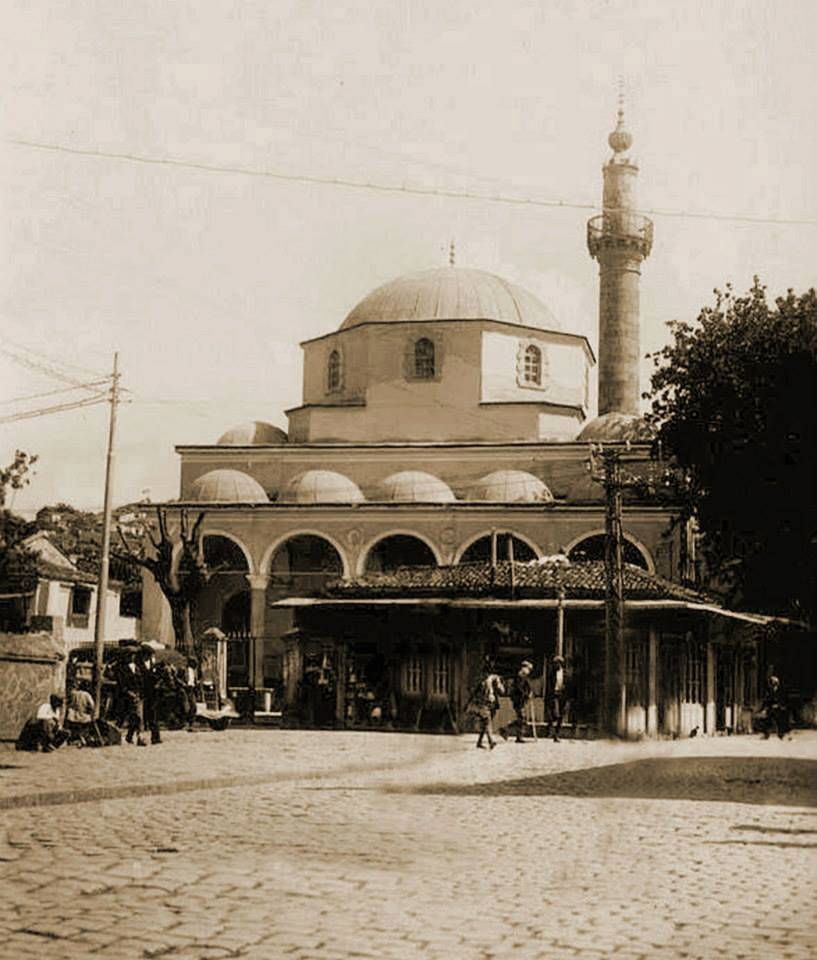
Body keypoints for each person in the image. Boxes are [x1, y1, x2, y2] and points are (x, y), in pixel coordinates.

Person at [469, 660, 505, 750]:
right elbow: (474, 692)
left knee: (486, 723)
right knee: (487, 721)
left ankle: (479, 742)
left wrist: (499, 684)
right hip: (484, 704)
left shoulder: (493, 679)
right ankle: (491, 742)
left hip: (490, 704)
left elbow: (502, 691)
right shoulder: (482, 681)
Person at [500, 659, 534, 743]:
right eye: (528, 669)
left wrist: (530, 693)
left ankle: (510, 732)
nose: (529, 671)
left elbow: (528, 687)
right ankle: (508, 730)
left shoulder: (524, 678)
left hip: (521, 700)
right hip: (518, 700)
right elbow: (519, 689)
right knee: (522, 718)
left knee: (521, 718)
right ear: (524, 668)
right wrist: (526, 695)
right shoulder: (519, 677)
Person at [120, 650, 146, 746]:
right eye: (130, 655)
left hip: (138, 695)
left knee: (137, 717)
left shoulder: (137, 667)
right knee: (136, 717)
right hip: (128, 696)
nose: (132, 657)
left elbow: (141, 681)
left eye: (133, 655)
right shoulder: (123, 669)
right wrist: (130, 693)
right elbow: (122, 684)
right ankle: (139, 737)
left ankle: (132, 736)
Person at [139, 646, 162, 745]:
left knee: (153, 715)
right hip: (143, 693)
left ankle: (155, 737)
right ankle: (137, 737)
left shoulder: (153, 665)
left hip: (153, 693)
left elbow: (158, 676)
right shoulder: (139, 665)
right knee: (140, 716)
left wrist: (157, 683)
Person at [65, 682, 95, 746]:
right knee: (85, 725)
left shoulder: (73, 693)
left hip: (73, 716)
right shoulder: (87, 694)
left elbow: (68, 704)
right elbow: (92, 705)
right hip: (83, 716)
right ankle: (82, 738)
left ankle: (77, 738)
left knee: (74, 726)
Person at [545, 655, 567, 742]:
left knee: (561, 715)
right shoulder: (551, 673)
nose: (557, 665)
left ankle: (556, 734)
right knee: (555, 714)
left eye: (558, 663)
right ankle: (550, 728)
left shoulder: (564, 673)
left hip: (562, 695)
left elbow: (567, 683)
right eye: (555, 663)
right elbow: (549, 685)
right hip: (553, 695)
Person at [761, 673, 789, 740]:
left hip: (779, 708)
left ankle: (781, 735)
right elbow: (768, 699)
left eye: (773, 682)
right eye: (771, 682)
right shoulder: (770, 690)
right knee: (767, 721)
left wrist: (780, 705)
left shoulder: (781, 690)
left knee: (780, 722)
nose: (772, 683)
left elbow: (784, 699)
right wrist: (764, 708)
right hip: (771, 708)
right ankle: (766, 735)